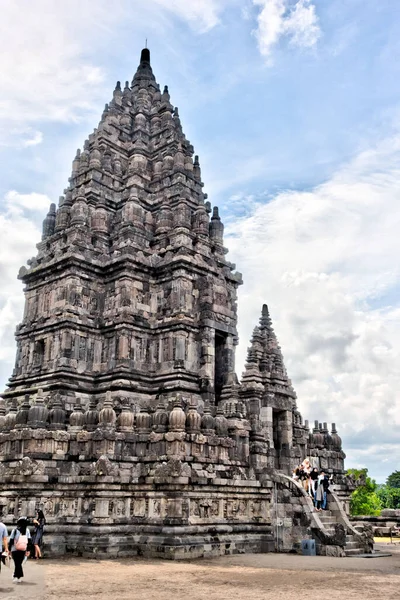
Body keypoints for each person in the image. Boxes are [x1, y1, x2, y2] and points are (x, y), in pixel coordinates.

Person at [9, 517, 31, 583]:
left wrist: (9, 549)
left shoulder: (15, 530)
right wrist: (28, 550)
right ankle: (17, 576)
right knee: (19, 563)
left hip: (14, 549)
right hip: (23, 549)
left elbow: (11, 540)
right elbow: (29, 540)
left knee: (17, 563)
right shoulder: (27, 530)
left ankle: (17, 576)